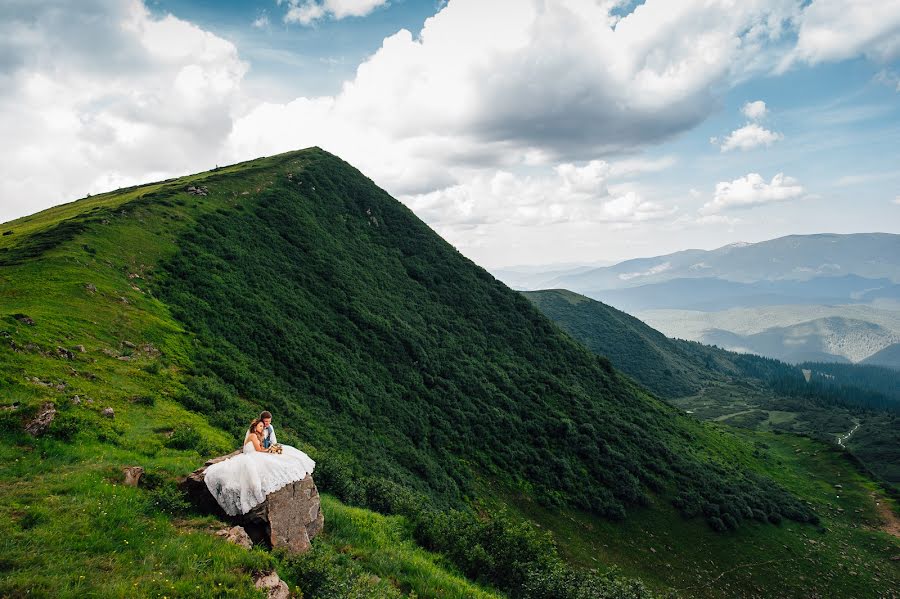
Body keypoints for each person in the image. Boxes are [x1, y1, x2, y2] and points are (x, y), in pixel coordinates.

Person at [203, 418, 315, 516]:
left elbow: (261, 448)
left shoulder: (257, 435)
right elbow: (259, 450)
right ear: (255, 426)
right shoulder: (252, 435)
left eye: (262, 426)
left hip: (255, 455)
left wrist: (272, 450)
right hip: (252, 455)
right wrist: (271, 451)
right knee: (270, 463)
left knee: (276, 460)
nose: (262, 428)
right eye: (260, 426)